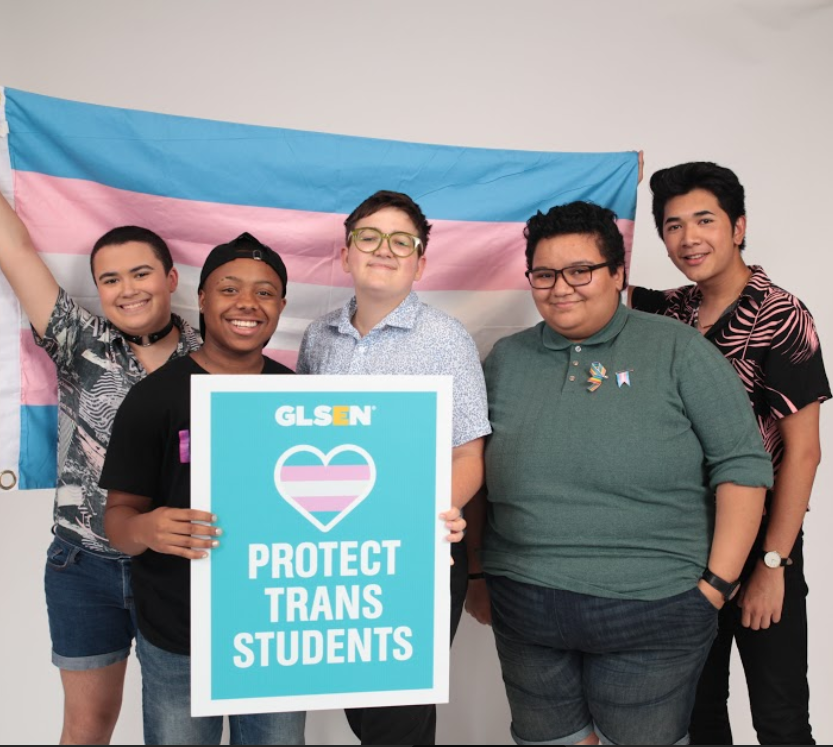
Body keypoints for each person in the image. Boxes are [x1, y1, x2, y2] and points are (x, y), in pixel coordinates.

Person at [467, 200, 773, 745]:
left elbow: (743, 467)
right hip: (525, 602)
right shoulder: (505, 359)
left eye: (580, 271)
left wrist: (716, 587)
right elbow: (473, 473)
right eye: (544, 274)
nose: (561, 288)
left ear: (617, 274)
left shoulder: (679, 351)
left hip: (654, 607)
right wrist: (475, 575)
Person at [629, 161, 830, 745]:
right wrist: (611, 185)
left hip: (763, 540)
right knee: (698, 718)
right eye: (672, 226)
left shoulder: (781, 316)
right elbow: (593, 277)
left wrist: (773, 565)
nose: (688, 238)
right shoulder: (668, 313)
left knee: (780, 720)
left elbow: (804, 453)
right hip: (682, 548)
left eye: (704, 220)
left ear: (738, 227)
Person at [0, 194, 200, 744]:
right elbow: (14, 251)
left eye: (141, 273)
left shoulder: (213, 357)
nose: (127, 289)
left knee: (182, 729)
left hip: (179, 569)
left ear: (171, 278)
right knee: (87, 726)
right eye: (110, 279)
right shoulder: (79, 342)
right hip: (83, 566)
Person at [296, 190, 490, 745]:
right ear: (346, 254)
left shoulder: (446, 339)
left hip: (415, 554)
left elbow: (468, 454)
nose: (385, 249)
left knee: (396, 717)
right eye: (370, 237)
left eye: (402, 242)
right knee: (359, 706)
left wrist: (426, 513)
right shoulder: (317, 337)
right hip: (336, 555)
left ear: (420, 263)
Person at [99, 232, 307, 744]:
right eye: (229, 289)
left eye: (264, 292)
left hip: (274, 635)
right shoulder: (154, 399)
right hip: (180, 636)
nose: (247, 303)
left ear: (281, 307)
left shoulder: (302, 397)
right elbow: (118, 520)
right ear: (202, 299)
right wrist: (147, 528)